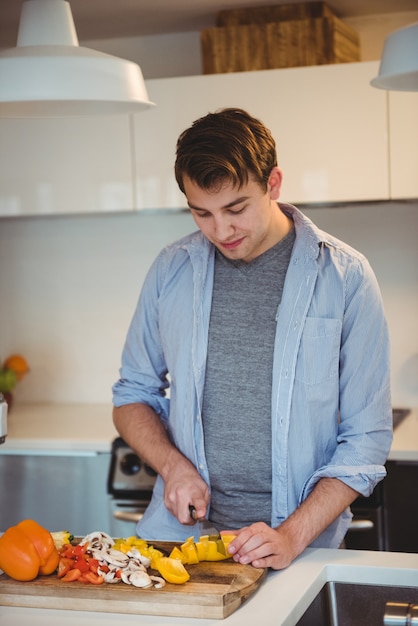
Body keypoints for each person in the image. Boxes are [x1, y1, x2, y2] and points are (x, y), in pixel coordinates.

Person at [112, 108, 392, 571]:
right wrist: (173, 467)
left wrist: (291, 535)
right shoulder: (172, 269)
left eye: (236, 208)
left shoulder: (346, 276)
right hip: (179, 544)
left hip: (298, 551)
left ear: (273, 183)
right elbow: (131, 395)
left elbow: (366, 440)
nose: (220, 231)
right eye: (202, 212)